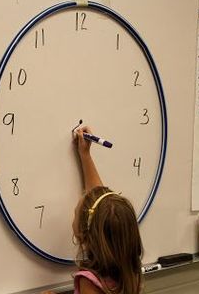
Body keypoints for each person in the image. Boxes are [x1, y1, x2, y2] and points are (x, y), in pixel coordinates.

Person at [43, 126, 143, 294]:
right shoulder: (130, 272)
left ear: (85, 232)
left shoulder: (89, 281)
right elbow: (99, 202)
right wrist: (85, 156)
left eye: (75, 213)